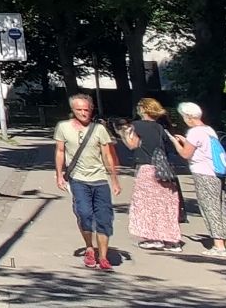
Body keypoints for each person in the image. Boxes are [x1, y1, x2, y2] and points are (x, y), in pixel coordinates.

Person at [55, 93, 123, 270]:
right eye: (79, 110)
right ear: (73, 110)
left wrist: (114, 180)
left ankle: (103, 256)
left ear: (91, 109)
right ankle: (89, 247)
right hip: (78, 179)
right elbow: (60, 152)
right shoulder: (63, 127)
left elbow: (108, 155)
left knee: (104, 218)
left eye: (86, 110)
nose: (83, 113)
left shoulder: (99, 129)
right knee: (84, 213)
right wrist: (59, 175)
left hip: (99, 179)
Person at [124, 97, 190, 253]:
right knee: (165, 205)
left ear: (143, 109)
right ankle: (172, 240)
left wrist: (125, 134)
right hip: (164, 170)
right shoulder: (161, 128)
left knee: (147, 204)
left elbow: (132, 145)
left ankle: (154, 238)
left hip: (146, 168)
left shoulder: (135, 126)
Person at [178, 102, 226, 257]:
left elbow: (185, 154)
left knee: (209, 208)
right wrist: (185, 141)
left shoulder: (194, 132)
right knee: (220, 207)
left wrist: (176, 143)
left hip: (203, 173)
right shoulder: (208, 130)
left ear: (189, 117)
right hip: (216, 172)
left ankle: (218, 245)